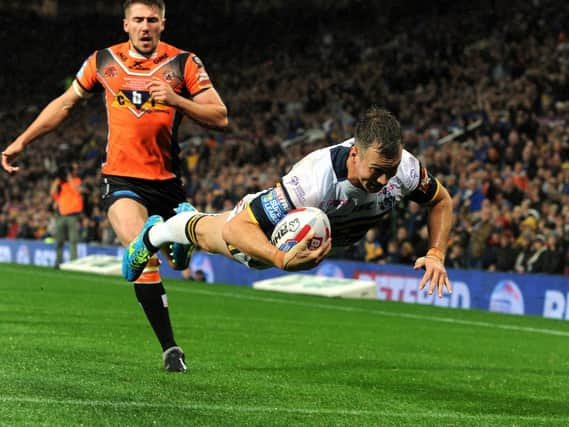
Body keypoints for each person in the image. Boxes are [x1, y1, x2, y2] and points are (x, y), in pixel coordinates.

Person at [1, 0, 228, 372]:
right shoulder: (102, 62)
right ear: (126, 24)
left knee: (170, 255)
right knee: (141, 251)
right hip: (122, 178)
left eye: (152, 20)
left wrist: (175, 99)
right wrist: (23, 140)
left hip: (168, 182)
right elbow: (65, 103)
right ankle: (170, 348)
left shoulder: (184, 63)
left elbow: (220, 116)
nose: (145, 26)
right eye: (138, 20)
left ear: (163, 24)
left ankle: (178, 246)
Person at [123, 107, 453, 308]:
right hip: (268, 228)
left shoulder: (407, 169)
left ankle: (183, 229)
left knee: (212, 235)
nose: (383, 181)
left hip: (319, 231)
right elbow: (236, 229)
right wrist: (281, 258)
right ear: (355, 154)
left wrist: (436, 252)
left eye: (390, 172)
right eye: (376, 171)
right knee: (223, 239)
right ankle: (156, 233)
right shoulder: (314, 180)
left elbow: (441, 200)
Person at [50, 163, 84, 267]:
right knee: (59, 240)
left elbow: (77, 190)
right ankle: (58, 262)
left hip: (73, 216)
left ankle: (73, 262)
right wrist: (58, 179)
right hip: (61, 216)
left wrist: (69, 178)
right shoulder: (61, 185)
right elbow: (52, 192)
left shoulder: (77, 180)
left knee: (73, 240)